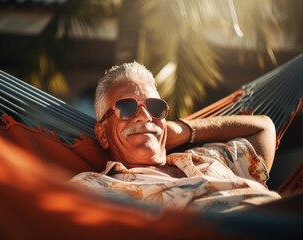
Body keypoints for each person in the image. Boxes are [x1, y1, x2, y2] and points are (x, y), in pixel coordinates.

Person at [70, 62, 281, 212]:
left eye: (155, 107)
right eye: (126, 108)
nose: (144, 117)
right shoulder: (92, 187)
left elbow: (263, 128)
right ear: (103, 135)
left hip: (288, 217)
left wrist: (183, 130)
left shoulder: (208, 158)